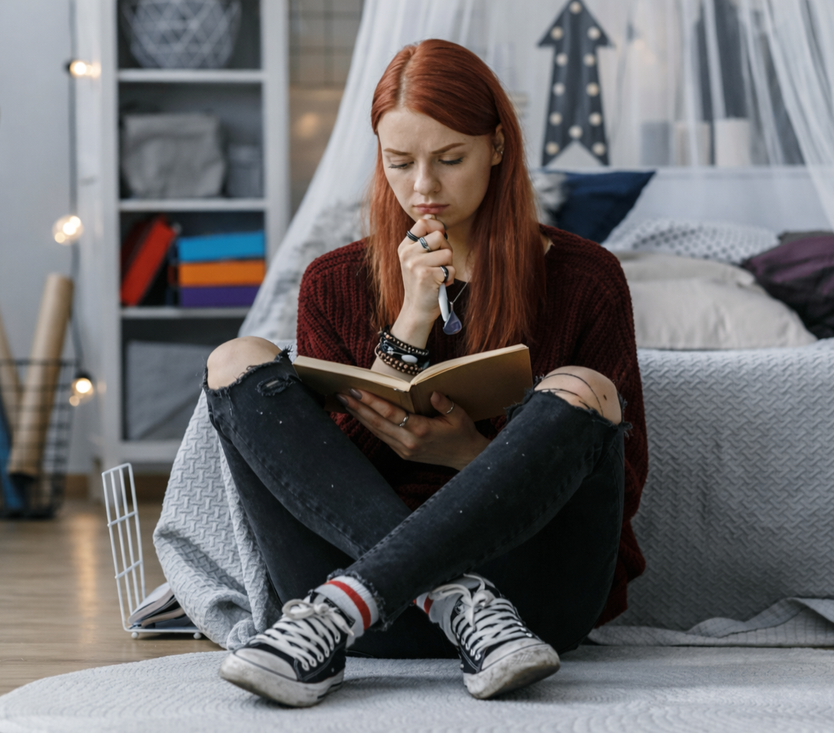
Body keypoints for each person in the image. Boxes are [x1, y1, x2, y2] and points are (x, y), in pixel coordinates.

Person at [202, 39, 647, 707]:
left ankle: (402, 598)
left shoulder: (587, 277)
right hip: (343, 616)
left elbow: (623, 481)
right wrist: (410, 320)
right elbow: (315, 477)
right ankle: (443, 596)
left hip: (524, 609)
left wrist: (470, 453)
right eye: (399, 163)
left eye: (450, 160)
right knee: (236, 357)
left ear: (497, 146)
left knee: (585, 388)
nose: (423, 189)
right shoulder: (333, 280)